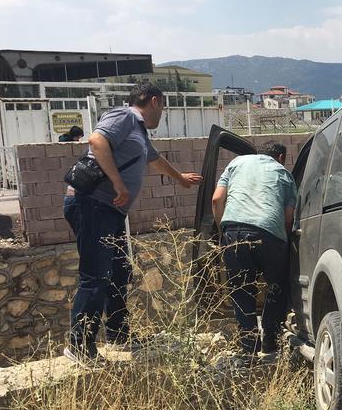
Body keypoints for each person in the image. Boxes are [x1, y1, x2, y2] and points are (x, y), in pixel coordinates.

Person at [63, 82, 202, 364]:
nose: (162, 113)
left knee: (119, 272)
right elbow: (97, 141)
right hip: (92, 204)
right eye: (163, 106)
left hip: (109, 210)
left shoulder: (139, 132)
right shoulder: (126, 116)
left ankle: (118, 333)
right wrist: (117, 183)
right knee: (95, 276)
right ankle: (79, 345)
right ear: (154, 101)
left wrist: (180, 178)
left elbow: (155, 159)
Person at [212, 141, 297, 360]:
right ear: (280, 157)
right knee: (277, 287)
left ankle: (248, 351)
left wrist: (225, 233)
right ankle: (270, 345)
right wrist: (284, 243)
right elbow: (288, 219)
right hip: (270, 233)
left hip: (233, 231)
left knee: (241, 291)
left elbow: (216, 199)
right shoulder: (284, 173)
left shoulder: (236, 163)